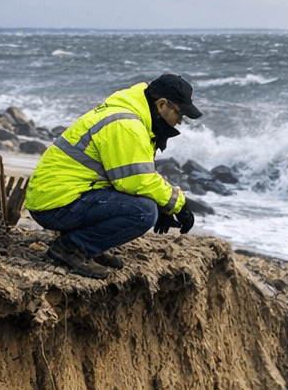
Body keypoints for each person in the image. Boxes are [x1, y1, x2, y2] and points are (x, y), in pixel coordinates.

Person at [25, 73, 200, 279]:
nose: (180, 121)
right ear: (162, 104)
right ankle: (71, 248)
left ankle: (89, 246)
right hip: (54, 205)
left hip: (58, 195)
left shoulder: (130, 114)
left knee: (143, 201)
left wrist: (163, 201)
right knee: (144, 212)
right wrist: (177, 204)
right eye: (180, 114)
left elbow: (136, 174)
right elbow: (136, 180)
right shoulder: (127, 125)